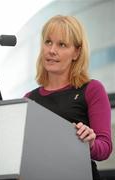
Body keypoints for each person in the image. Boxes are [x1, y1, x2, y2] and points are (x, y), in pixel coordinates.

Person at [24, 15, 112, 180]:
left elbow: (105, 148)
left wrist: (90, 143)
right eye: (48, 42)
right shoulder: (29, 98)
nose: (52, 50)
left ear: (76, 52)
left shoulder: (92, 89)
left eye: (62, 44)